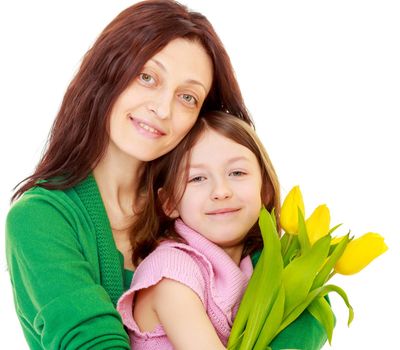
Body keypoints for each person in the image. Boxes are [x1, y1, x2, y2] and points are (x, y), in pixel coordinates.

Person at [5, 1, 327, 349]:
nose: (162, 109)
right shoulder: (40, 219)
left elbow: (305, 298)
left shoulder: (197, 205)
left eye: (187, 97)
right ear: (106, 74)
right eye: (147, 77)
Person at [117, 111, 279, 349]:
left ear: (264, 190)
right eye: (197, 179)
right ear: (170, 202)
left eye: (237, 173)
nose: (221, 191)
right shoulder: (172, 273)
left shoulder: (253, 268)